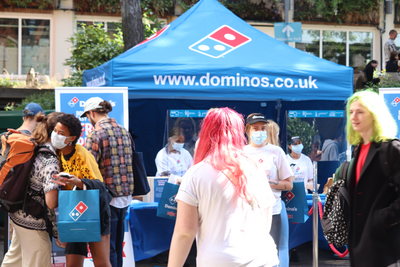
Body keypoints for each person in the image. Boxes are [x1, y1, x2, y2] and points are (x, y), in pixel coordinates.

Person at [168, 108, 279, 267]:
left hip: (219, 261)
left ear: (205, 132)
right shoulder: (256, 169)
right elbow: (266, 220)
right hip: (264, 258)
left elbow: (185, 233)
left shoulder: (196, 174)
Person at [345, 90, 400, 267]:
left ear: (375, 115)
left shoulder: (391, 149)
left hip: (386, 248)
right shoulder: (358, 150)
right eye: (351, 112)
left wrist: (382, 218)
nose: (354, 117)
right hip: (360, 245)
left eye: (360, 111)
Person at [2, 112, 61, 267]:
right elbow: (50, 202)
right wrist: (56, 232)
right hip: (34, 222)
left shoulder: (34, 146)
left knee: (14, 261)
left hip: (18, 216)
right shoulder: (50, 159)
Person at [82, 97, 134, 267]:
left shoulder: (96, 134)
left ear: (91, 113)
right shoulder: (124, 131)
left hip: (106, 198)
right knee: (118, 246)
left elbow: (89, 170)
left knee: (107, 249)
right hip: (125, 195)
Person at [54, 113, 111, 267]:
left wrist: (78, 182)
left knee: (101, 263)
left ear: (72, 138)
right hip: (73, 212)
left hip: (95, 212)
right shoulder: (56, 154)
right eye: (55, 131)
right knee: (72, 263)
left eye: (61, 133)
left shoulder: (82, 154)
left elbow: (100, 187)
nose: (56, 136)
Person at [243, 113, 293, 252]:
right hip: (247, 212)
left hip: (272, 212)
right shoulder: (240, 153)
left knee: (271, 254)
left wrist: (267, 182)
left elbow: (289, 184)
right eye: (256, 128)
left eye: (263, 128)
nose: (260, 132)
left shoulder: (276, 151)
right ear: (248, 130)